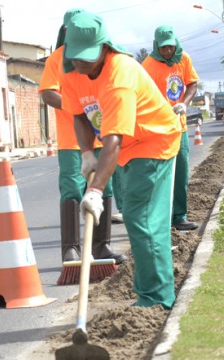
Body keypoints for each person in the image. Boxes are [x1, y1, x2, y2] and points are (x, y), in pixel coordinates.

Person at [61, 12, 181, 308]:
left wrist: (96, 190)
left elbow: (112, 138)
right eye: (75, 57)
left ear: (105, 47)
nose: (81, 63)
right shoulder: (71, 72)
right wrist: (87, 153)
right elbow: (79, 115)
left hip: (154, 140)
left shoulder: (120, 75)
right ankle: (148, 291)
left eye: (87, 57)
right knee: (134, 215)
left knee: (142, 218)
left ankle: (157, 298)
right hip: (126, 147)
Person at [39, 9, 126, 264]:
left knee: (105, 184)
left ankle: (101, 246)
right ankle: (71, 248)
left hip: (101, 133)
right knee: (72, 187)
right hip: (70, 138)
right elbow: (47, 93)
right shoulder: (57, 59)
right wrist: (78, 108)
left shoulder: (102, 57)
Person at [142, 25, 199, 232]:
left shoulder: (183, 59)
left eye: (171, 47)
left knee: (181, 172)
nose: (168, 52)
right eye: (164, 48)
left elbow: (192, 83)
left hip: (179, 126)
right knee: (157, 175)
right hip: (157, 129)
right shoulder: (147, 66)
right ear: (156, 46)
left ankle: (179, 216)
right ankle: (157, 218)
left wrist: (184, 103)